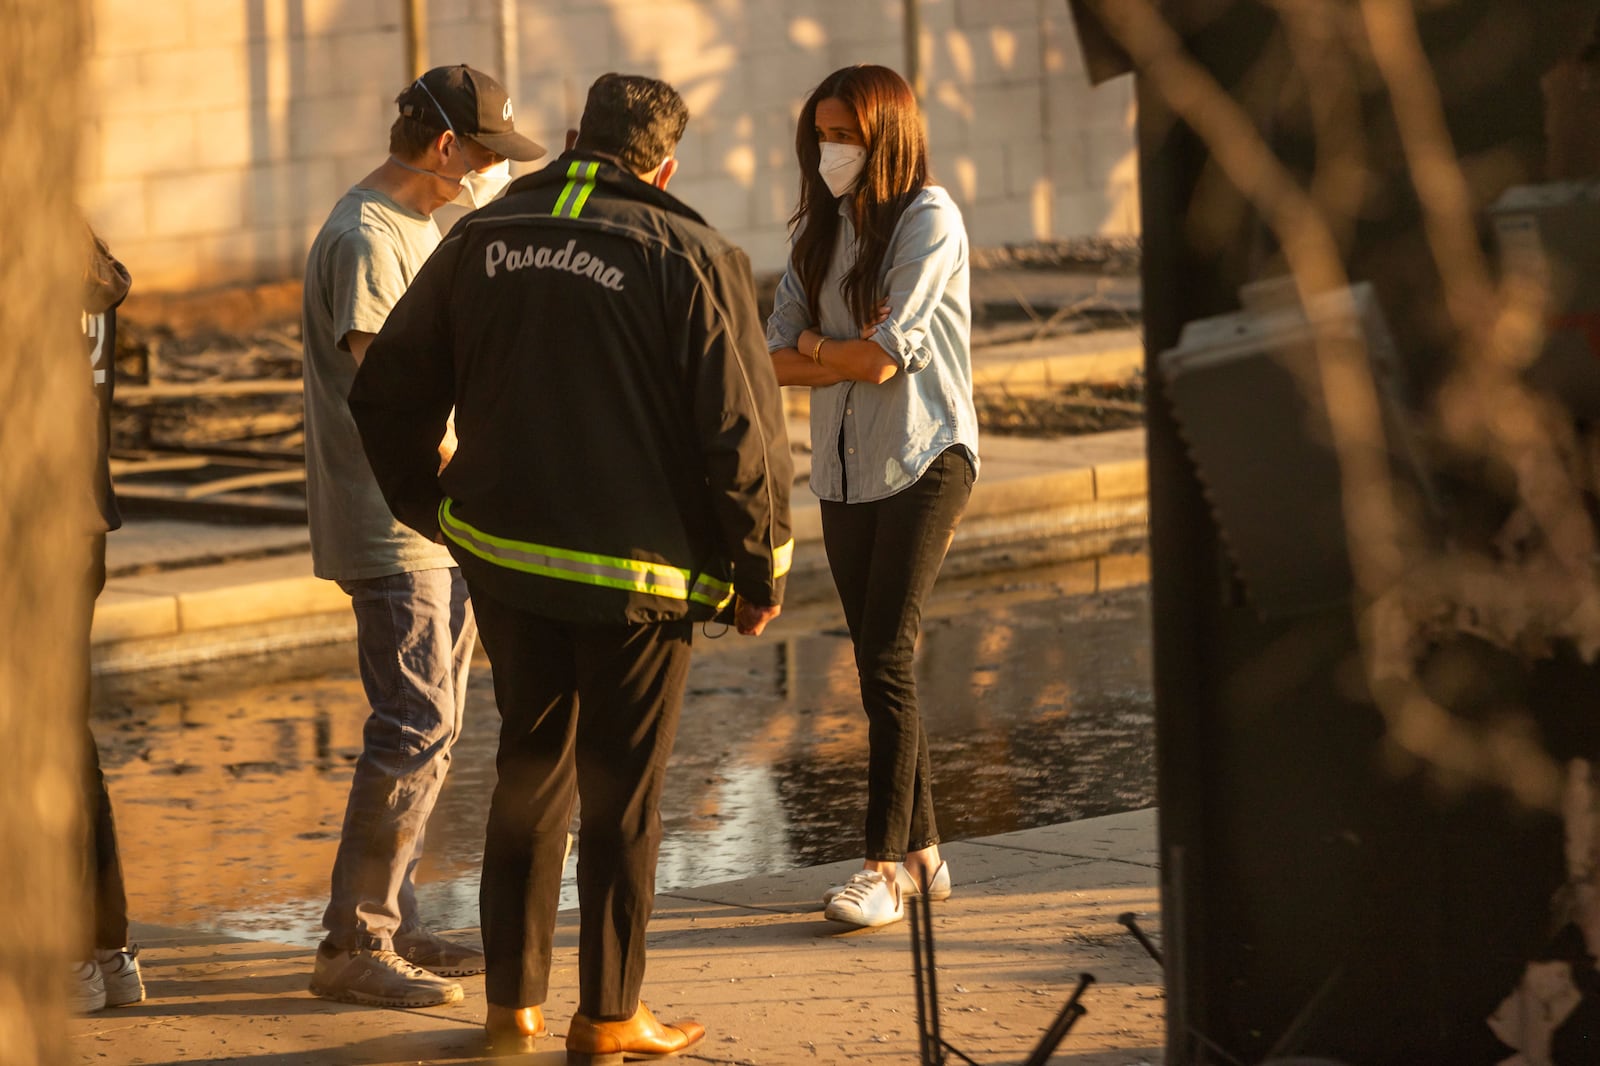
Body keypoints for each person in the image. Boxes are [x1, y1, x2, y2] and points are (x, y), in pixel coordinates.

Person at [348, 72, 792, 1059]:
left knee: (528, 775)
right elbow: (741, 436)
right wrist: (759, 569)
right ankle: (608, 1015)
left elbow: (385, 390)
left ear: (565, 138)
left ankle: (512, 1009)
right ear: (666, 165)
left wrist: (433, 506)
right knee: (620, 794)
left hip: (508, 563)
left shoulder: (479, 237)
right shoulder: (694, 252)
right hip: (641, 582)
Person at [301, 63, 545, 1009]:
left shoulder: (417, 228)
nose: (491, 172)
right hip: (395, 522)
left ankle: (393, 920)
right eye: (485, 156)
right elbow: (397, 401)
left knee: (433, 729)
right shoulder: (368, 240)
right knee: (414, 724)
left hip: (438, 526)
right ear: (446, 147)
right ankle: (353, 942)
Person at [766, 64, 979, 929]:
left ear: (885, 133)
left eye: (846, 134)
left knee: (887, 654)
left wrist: (825, 346)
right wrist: (833, 346)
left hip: (926, 456)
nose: (831, 151)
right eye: (820, 134)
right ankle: (926, 856)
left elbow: (886, 358)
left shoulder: (928, 218)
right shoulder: (819, 234)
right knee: (874, 660)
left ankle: (883, 869)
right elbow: (769, 356)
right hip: (846, 469)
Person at [71, 226, 146, 1014]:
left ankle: (69, 959)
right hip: (81, 527)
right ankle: (106, 949)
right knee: (67, 737)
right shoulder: (79, 256)